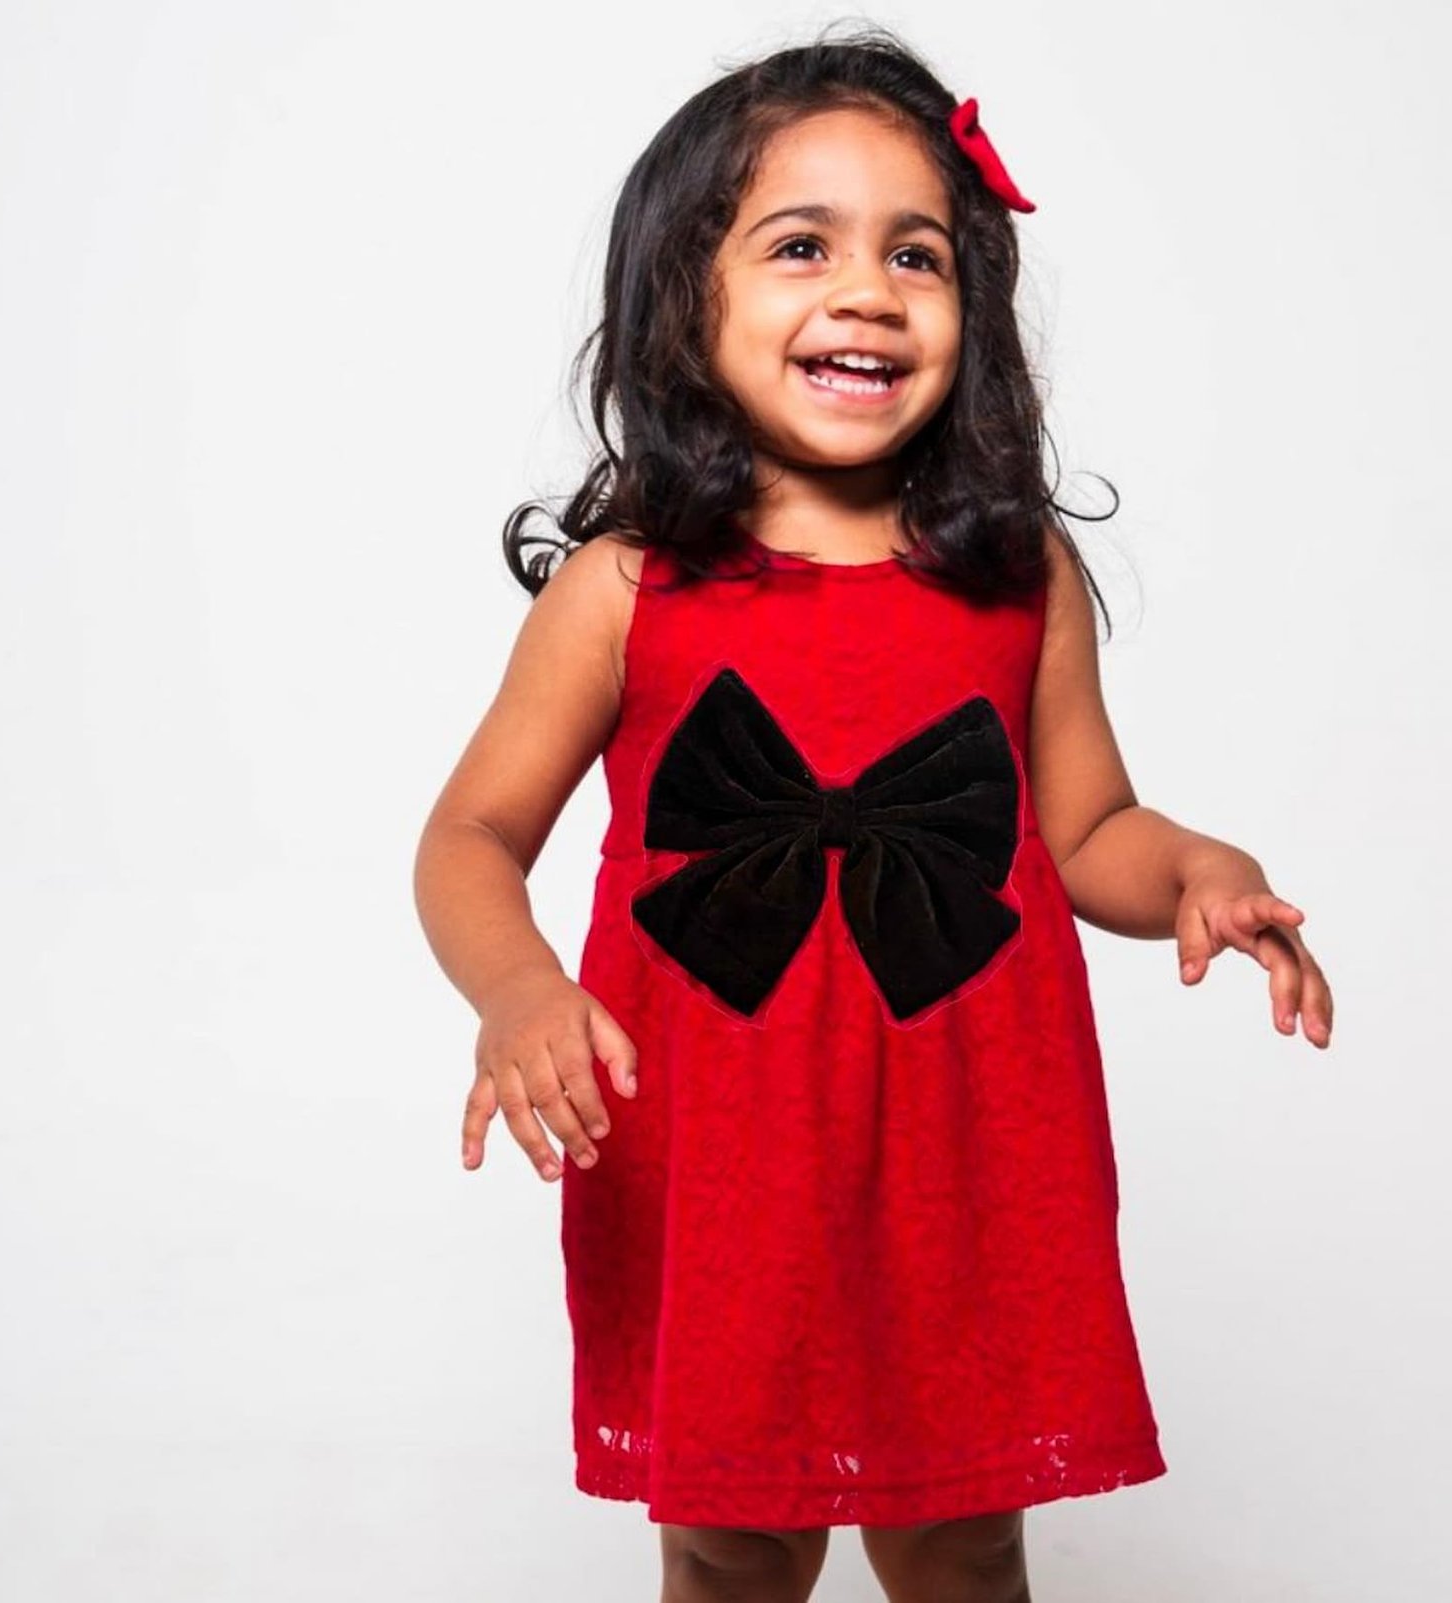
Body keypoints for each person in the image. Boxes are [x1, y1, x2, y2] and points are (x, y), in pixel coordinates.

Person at [412, 24, 1334, 1603]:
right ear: (684, 298)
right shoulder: (624, 590)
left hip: (970, 1149)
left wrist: (1197, 870)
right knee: (731, 1540)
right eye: (801, 246)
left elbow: (1085, 829)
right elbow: (469, 837)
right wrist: (517, 991)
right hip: (720, 1151)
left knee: (964, 1539)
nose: (869, 291)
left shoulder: (1018, 577)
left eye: (918, 253)